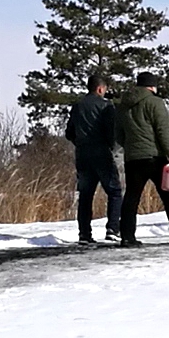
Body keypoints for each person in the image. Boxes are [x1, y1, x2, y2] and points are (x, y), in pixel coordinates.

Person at [117, 70, 169, 246]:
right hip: (154, 157)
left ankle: (127, 236)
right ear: (152, 86)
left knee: (131, 197)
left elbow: (118, 134)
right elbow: (163, 132)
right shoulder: (155, 102)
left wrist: (131, 147)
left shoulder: (123, 106)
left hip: (133, 158)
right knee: (168, 195)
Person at [66, 70, 124, 246]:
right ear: (100, 89)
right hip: (101, 153)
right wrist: (111, 146)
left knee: (85, 195)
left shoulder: (77, 106)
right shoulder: (106, 106)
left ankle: (84, 233)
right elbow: (110, 131)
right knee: (114, 191)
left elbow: (69, 133)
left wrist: (80, 143)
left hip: (82, 155)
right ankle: (112, 229)